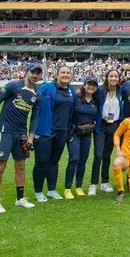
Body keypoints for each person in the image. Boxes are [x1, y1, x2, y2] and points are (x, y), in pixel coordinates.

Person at [0, 63, 42, 213]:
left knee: (21, 166)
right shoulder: (13, 86)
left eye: (38, 73)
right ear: (26, 72)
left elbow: (35, 118)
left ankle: (20, 199)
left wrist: (30, 138)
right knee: (0, 166)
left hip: (21, 133)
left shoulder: (38, 94)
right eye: (33, 72)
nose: (35, 76)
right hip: (6, 131)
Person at [33, 65, 76, 202]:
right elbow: (34, 104)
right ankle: (38, 191)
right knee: (42, 161)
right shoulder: (47, 87)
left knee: (54, 161)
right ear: (56, 75)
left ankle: (51, 189)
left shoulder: (71, 90)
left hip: (62, 131)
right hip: (46, 131)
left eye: (68, 73)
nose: (65, 75)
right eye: (63, 72)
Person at [64, 77, 98, 200]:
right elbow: (68, 114)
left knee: (83, 160)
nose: (91, 87)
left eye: (94, 85)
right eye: (89, 84)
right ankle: (67, 188)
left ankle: (79, 186)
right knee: (74, 159)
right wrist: (69, 132)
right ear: (84, 85)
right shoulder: (76, 98)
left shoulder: (95, 100)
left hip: (87, 134)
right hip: (75, 133)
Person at [90, 69, 122, 195]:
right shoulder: (100, 90)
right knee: (98, 155)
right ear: (107, 77)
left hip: (114, 125)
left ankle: (104, 182)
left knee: (107, 155)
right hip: (101, 125)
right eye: (111, 76)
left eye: (116, 76)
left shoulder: (121, 91)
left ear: (118, 78)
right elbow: (86, 92)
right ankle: (93, 184)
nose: (113, 78)